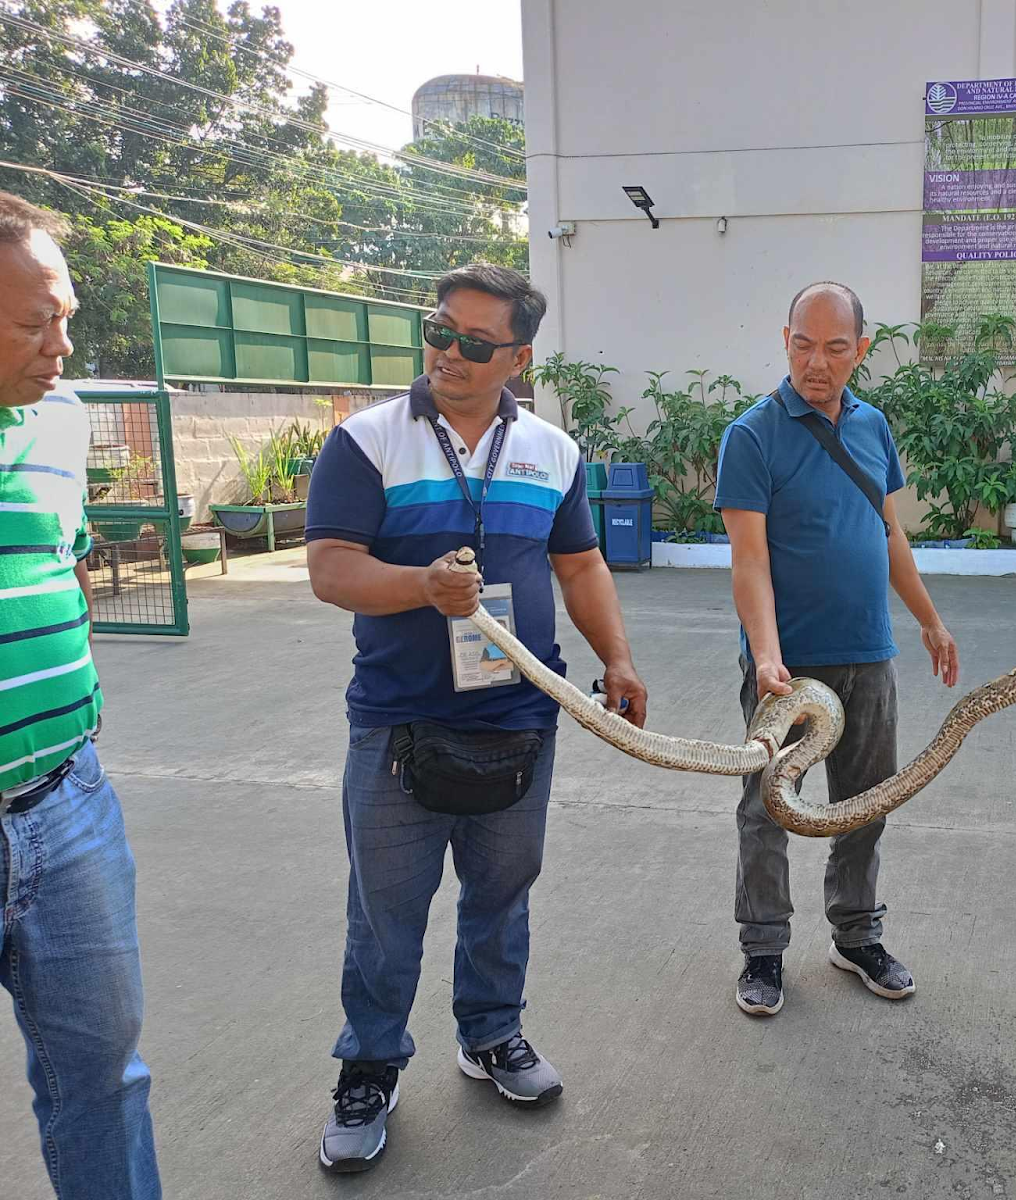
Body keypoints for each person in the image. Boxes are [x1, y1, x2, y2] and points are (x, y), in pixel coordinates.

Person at [305, 263, 649, 1172]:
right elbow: (331, 569)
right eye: (438, 331)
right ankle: (369, 1068)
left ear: (518, 357)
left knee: (501, 896)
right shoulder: (367, 442)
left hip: (519, 723)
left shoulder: (552, 451)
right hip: (396, 728)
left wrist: (615, 655)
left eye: (474, 343)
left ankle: (492, 1034)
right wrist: (422, 586)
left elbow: (580, 567)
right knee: (386, 913)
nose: (448, 353)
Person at [715, 281, 959, 1018]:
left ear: (861, 348)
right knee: (768, 806)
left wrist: (928, 619)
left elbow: (888, 533)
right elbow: (748, 560)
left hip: (868, 654)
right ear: (784, 338)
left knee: (864, 805)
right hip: (787, 667)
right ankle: (763, 949)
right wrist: (765, 654)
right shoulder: (753, 435)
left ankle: (857, 936)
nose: (815, 362)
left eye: (834, 347)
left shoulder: (873, 427)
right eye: (802, 344)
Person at [0, 191, 161, 1200]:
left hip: (66, 807)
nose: (62, 343)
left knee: (103, 1075)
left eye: (65, 314)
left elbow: (65, 564)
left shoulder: (60, 417)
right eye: (31, 322)